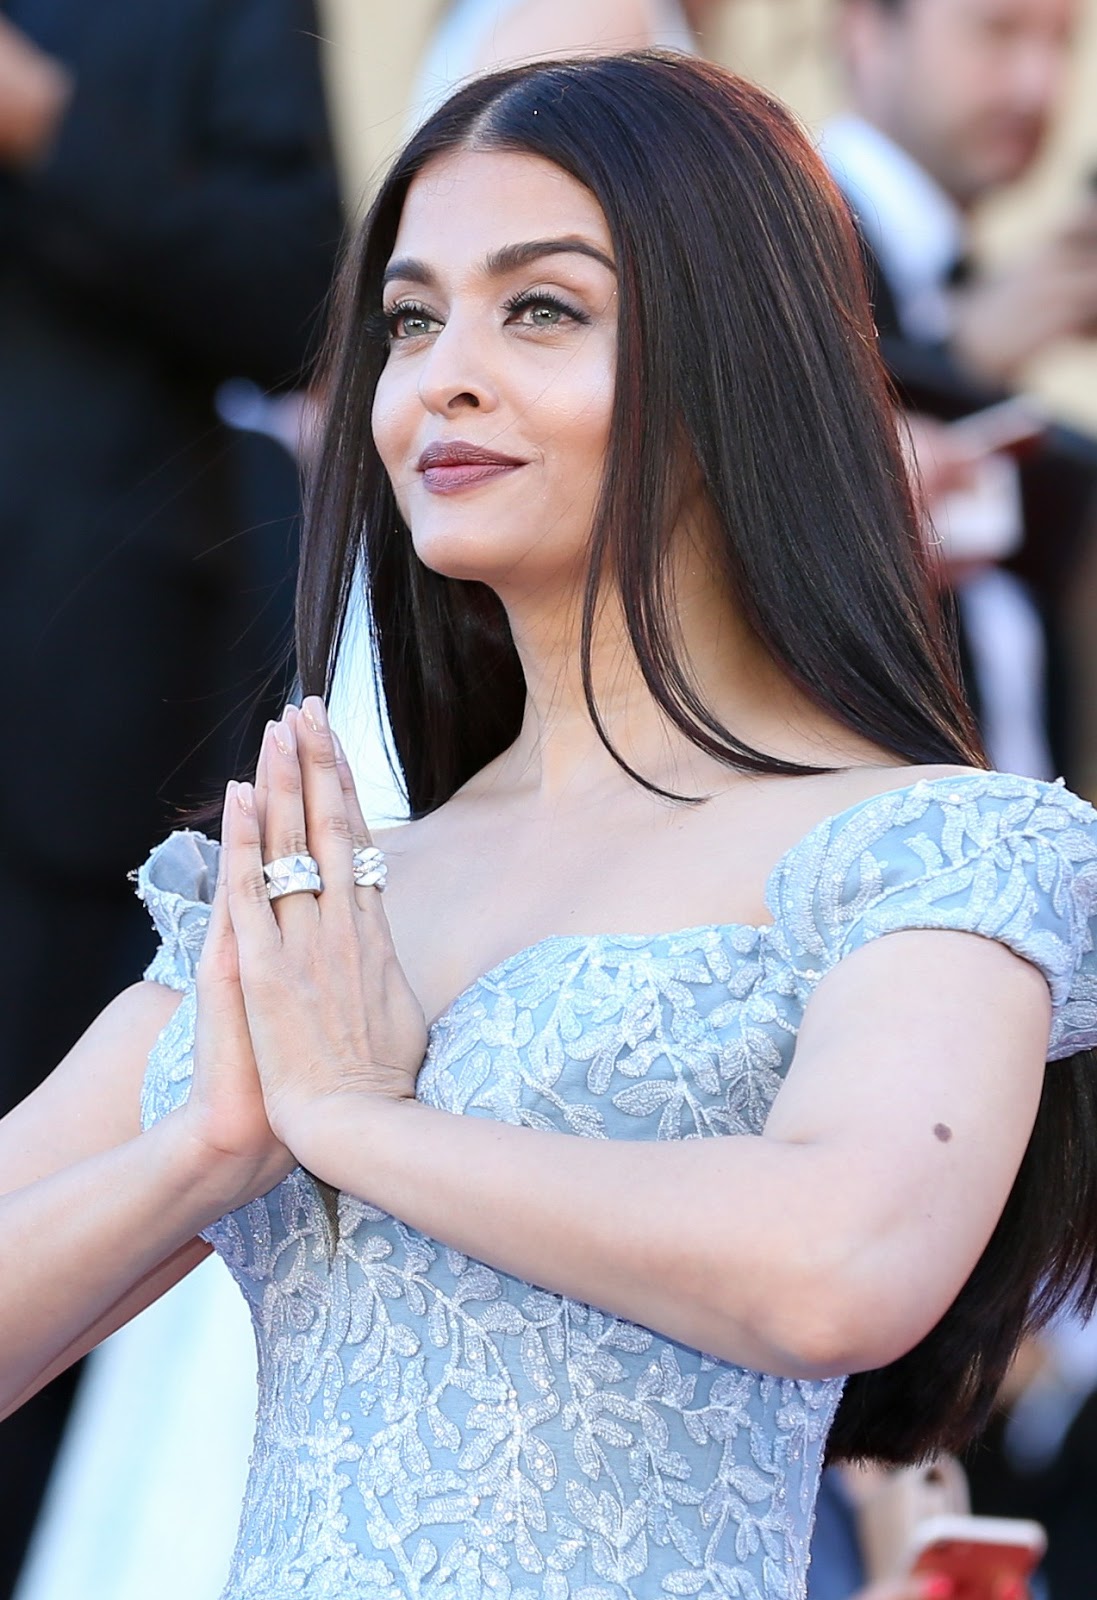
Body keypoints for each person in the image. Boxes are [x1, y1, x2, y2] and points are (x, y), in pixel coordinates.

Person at [4, 51, 1097, 1599]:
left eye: (541, 308)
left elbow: (839, 1268)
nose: (444, 371)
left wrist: (367, 1131)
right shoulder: (330, 897)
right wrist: (209, 1155)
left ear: (740, 363)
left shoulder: (932, 847)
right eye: (408, 318)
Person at [822, 0, 1097, 789]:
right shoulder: (778, 247)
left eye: (1060, 44)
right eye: (997, 30)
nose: (1035, 84)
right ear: (866, 29)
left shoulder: (961, 274)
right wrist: (966, 360)